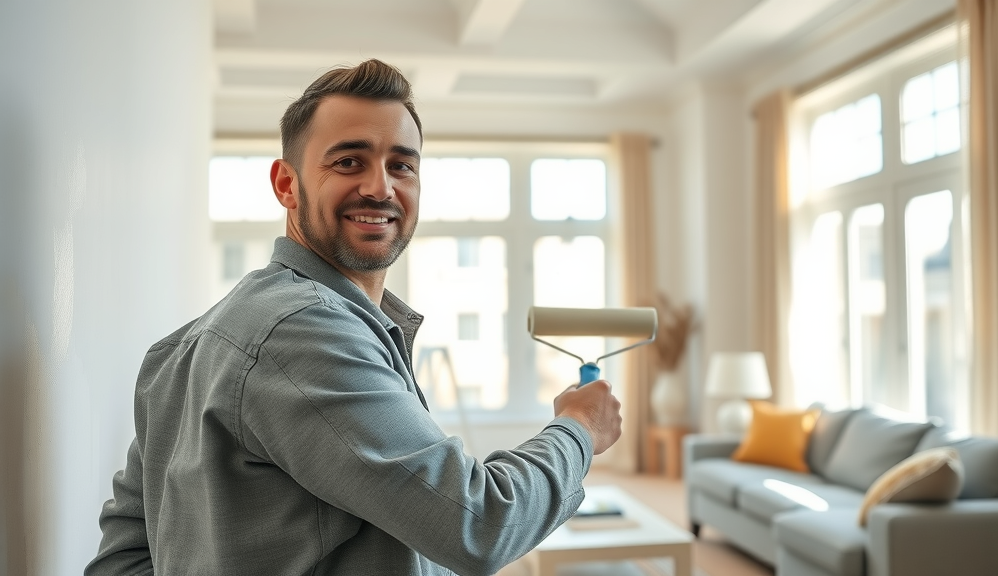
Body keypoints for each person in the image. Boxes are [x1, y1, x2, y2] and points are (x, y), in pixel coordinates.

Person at [86, 59, 622, 576]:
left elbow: (123, 559)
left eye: (402, 165)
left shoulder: (188, 344)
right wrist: (578, 428)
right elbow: (482, 523)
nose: (381, 188)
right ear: (286, 184)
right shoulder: (303, 331)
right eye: (348, 162)